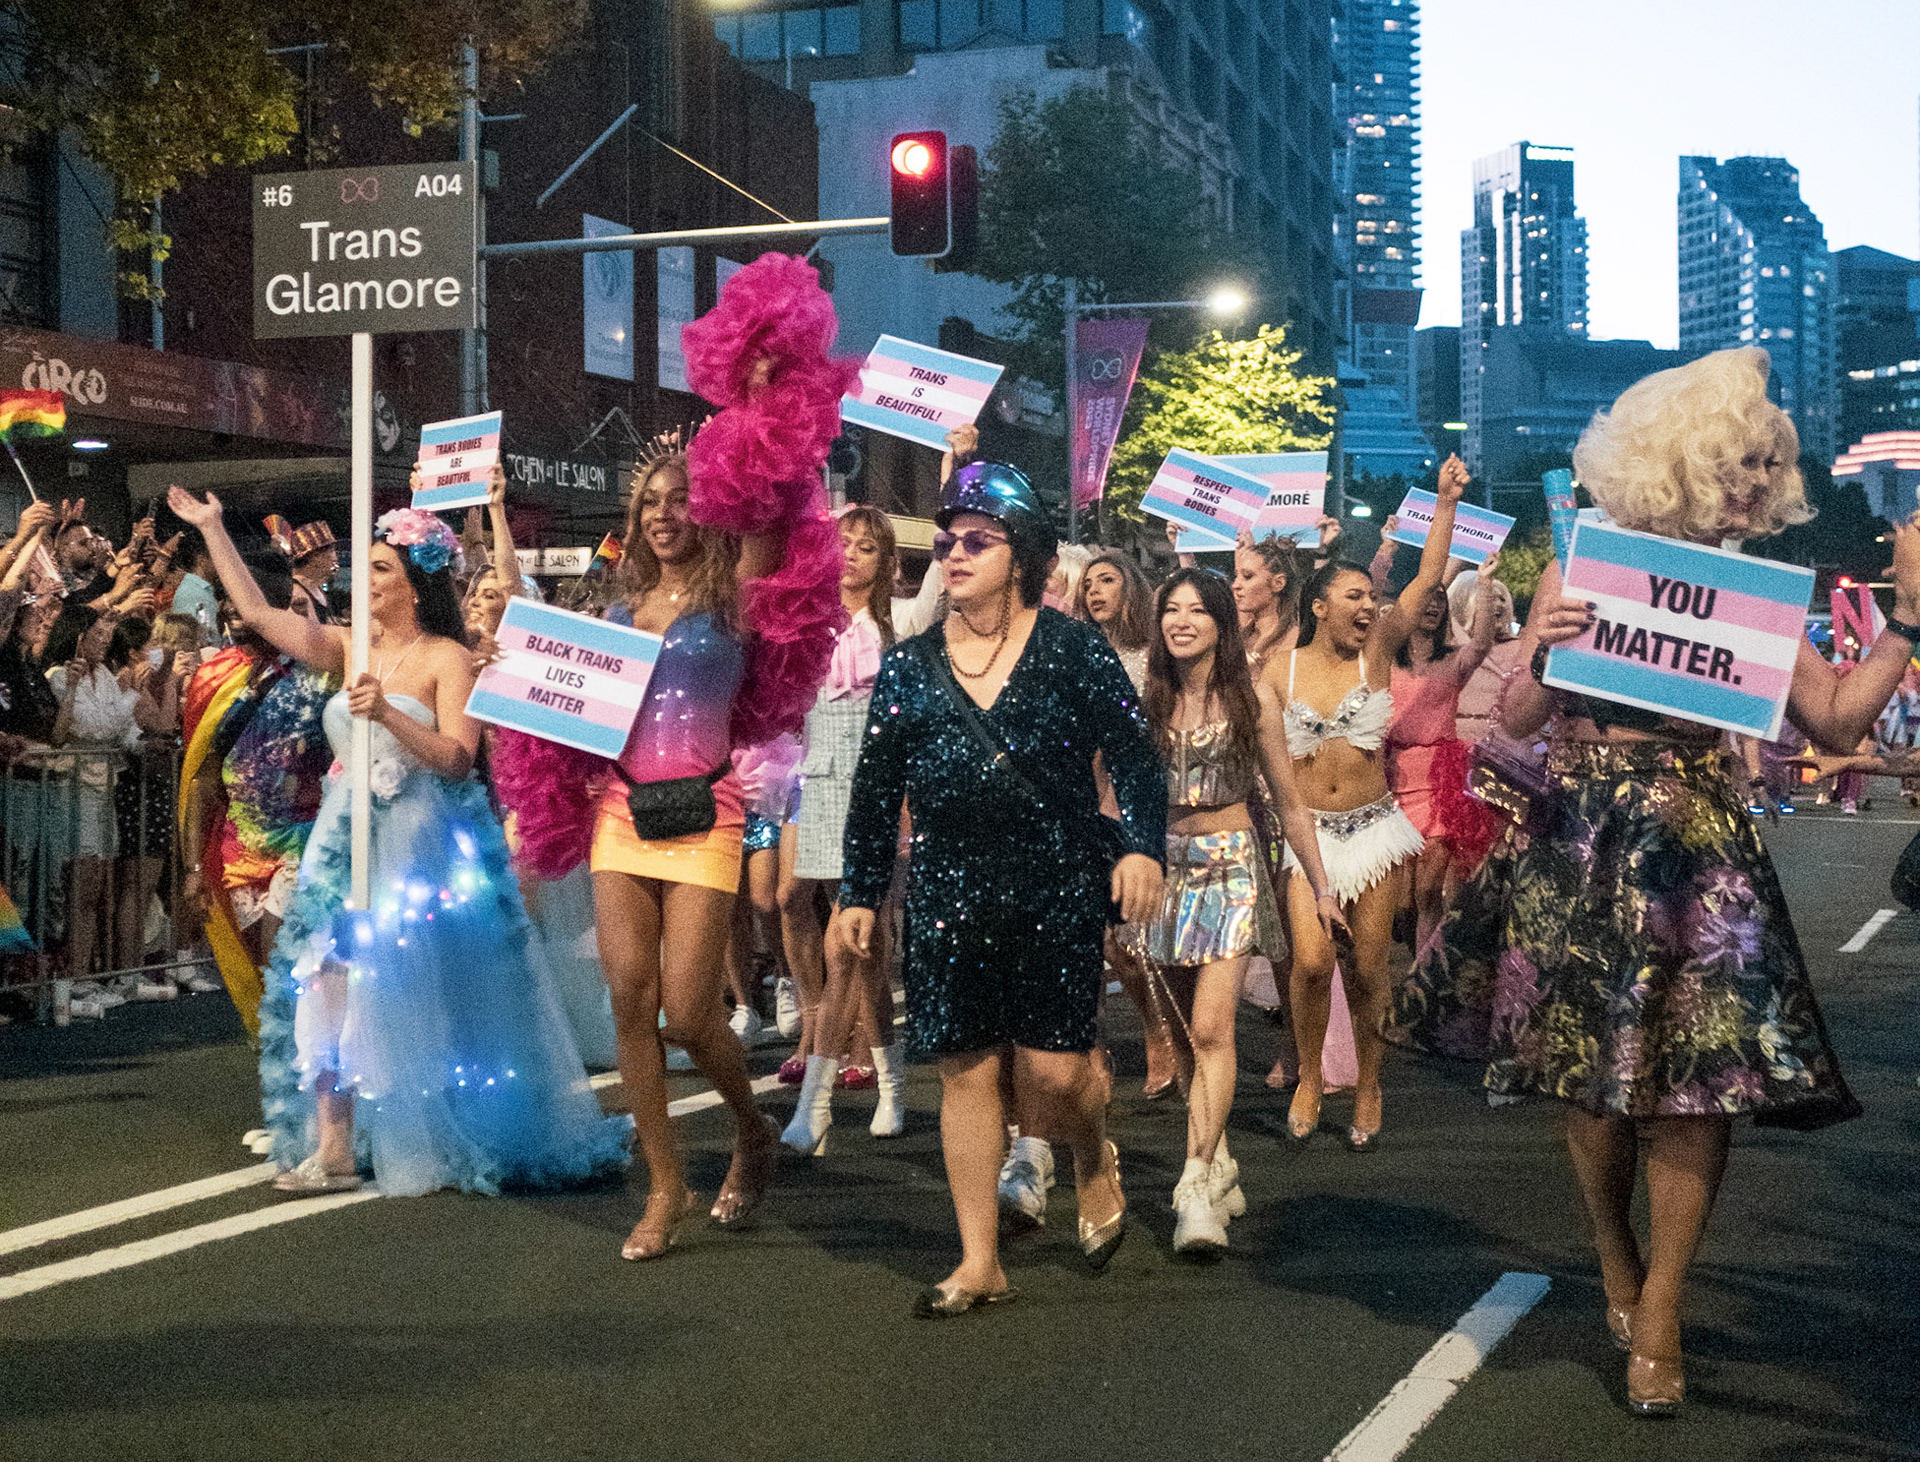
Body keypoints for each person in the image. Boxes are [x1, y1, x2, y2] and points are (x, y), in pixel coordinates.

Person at [1389, 347, 1920, 1417]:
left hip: (1699, 843)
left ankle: (1663, 1305)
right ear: (1683, 461)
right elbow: (1520, 721)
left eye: (1765, 467)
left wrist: (1907, 618)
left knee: (1701, 1081)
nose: (1756, 485)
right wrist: (1542, 651)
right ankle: (1613, 1253)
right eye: (1739, 463)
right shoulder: (1583, 562)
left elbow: (1836, 720)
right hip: (1579, 828)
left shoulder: (1754, 593)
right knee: (1588, 1083)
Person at [491, 254, 854, 1260]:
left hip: (708, 809)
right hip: (620, 810)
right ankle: (664, 1187)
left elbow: (779, 505)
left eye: (680, 497)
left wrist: (768, 391)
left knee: (692, 1010)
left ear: (708, 503)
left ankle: (749, 1126)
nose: (663, 512)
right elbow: (557, 703)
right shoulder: (611, 610)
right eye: (649, 501)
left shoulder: (737, 591)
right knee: (629, 1000)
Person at [169, 485, 630, 1197]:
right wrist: (212, 528)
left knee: (412, 989)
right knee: (326, 978)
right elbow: (258, 613)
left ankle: (434, 1124)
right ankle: (335, 1145)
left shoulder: (447, 657)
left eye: (381, 567)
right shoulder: (345, 644)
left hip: (417, 844)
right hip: (340, 840)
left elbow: (456, 759)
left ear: (414, 583)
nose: (366, 578)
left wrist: (388, 715)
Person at [832, 461, 1166, 1317]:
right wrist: (860, 890)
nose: (955, 553)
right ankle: (980, 1259)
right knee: (967, 1071)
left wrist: (1142, 848)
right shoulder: (908, 667)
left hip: (1057, 883)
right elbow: (876, 787)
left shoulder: (1072, 648)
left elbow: (1135, 756)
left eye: (977, 540)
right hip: (947, 889)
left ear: (1023, 555)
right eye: (948, 541)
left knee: (1054, 1073)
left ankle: (1090, 1152)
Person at [1129, 567, 1342, 1253]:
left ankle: (1193, 1184)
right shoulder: (1144, 699)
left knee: (1212, 1028)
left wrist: (1322, 886)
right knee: (1184, 1036)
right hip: (1163, 873)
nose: (1181, 620)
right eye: (1171, 609)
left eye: (1197, 609)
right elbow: (1114, 794)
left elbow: (1290, 803)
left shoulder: (1252, 700)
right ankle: (1218, 1159)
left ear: (1221, 623)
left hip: (1231, 868)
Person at [1280, 456, 1467, 1153]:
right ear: (1318, 604)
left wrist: (1444, 505)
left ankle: (1368, 1085)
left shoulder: (1379, 652)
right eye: (1352, 595)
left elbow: (1426, 581)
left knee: (1367, 971)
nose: (1367, 606)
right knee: (1309, 964)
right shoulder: (1280, 665)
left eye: (1370, 595)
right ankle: (1309, 1075)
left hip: (1374, 830)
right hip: (1309, 836)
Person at [782, 505, 910, 1153]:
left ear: (886, 562)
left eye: (867, 546)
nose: (852, 555)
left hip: (877, 793)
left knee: (846, 948)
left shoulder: (901, 624)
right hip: (819, 785)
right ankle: (890, 1082)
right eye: (844, 543)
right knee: (864, 949)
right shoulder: (806, 623)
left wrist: (955, 466)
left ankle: (818, 1105)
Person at [178, 551, 336, 1036]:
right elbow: (204, 777)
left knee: (282, 956)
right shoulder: (215, 677)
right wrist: (193, 867)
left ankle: (307, 1063)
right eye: (228, 605)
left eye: (243, 604)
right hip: (241, 849)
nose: (234, 614)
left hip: (306, 839)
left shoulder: (322, 669)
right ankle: (291, 1061)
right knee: (263, 973)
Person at [1384, 549, 1504, 953]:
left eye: (1441, 599)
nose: (1434, 606)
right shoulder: (1382, 661)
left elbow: (1482, 642)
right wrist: (1386, 551)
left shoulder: (1454, 662)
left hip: (1438, 778)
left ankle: (1423, 970)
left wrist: (1484, 584)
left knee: (1429, 888)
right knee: (1400, 897)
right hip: (1390, 778)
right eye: (1427, 598)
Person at [267, 516, 339, 622]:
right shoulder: (297, 593)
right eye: (331, 551)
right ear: (315, 556)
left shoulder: (315, 588)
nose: (335, 558)